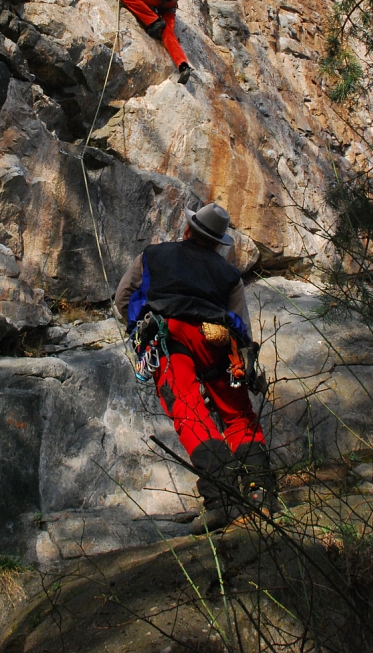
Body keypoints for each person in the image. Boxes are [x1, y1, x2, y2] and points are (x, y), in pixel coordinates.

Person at [115, 202, 276, 534]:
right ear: (218, 243)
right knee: (236, 415)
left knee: (188, 409)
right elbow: (241, 325)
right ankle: (261, 490)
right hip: (217, 338)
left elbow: (123, 298)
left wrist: (138, 327)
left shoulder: (153, 255)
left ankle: (221, 498)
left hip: (170, 333)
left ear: (187, 230)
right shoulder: (229, 274)